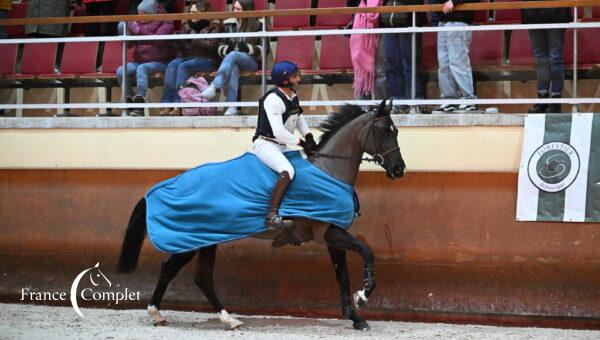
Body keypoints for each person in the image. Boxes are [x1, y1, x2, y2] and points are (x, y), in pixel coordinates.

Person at [253, 61, 317, 230]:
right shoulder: (273, 99)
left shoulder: (292, 96)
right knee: (287, 171)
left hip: (282, 146)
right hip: (266, 145)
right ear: (284, 81)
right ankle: (271, 215)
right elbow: (279, 131)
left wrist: (309, 136)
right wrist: (301, 143)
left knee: (311, 160)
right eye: (295, 77)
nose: (299, 79)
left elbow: (299, 118)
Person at [200, 0, 268, 116]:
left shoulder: (259, 24)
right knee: (233, 67)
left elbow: (265, 50)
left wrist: (248, 48)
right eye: (234, 8)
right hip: (231, 62)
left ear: (246, 10)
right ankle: (232, 106)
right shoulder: (228, 24)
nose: (235, 11)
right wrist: (228, 48)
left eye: (238, 9)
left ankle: (214, 86)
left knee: (233, 55)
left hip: (251, 62)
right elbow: (220, 48)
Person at [160, 0, 222, 116]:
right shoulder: (187, 25)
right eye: (190, 12)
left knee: (184, 66)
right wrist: (177, 41)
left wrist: (191, 39)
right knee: (172, 64)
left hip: (207, 59)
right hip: (188, 57)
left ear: (204, 13)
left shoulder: (215, 27)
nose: (191, 15)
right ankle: (167, 104)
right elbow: (182, 47)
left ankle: (179, 105)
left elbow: (212, 47)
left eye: (195, 12)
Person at [117, 0, 175, 116]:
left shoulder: (167, 24)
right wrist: (125, 33)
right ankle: (129, 99)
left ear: (151, 13)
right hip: (140, 60)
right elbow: (129, 46)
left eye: (142, 14)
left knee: (142, 69)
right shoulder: (137, 24)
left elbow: (158, 41)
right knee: (121, 71)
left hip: (161, 61)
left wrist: (138, 30)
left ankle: (140, 103)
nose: (139, 17)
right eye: (138, 13)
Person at [521, 2, 571, 113]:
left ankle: (556, 101)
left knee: (555, 57)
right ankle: (542, 99)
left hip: (556, 14)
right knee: (540, 59)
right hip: (533, 15)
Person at [432, 0, 479, 113]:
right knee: (443, 63)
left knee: (458, 62)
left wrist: (454, 1)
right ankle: (449, 98)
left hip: (459, 20)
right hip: (443, 20)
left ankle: (469, 99)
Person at [382, 0, 426, 113]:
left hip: (409, 22)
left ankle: (416, 101)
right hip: (389, 23)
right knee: (392, 63)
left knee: (409, 64)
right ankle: (398, 101)